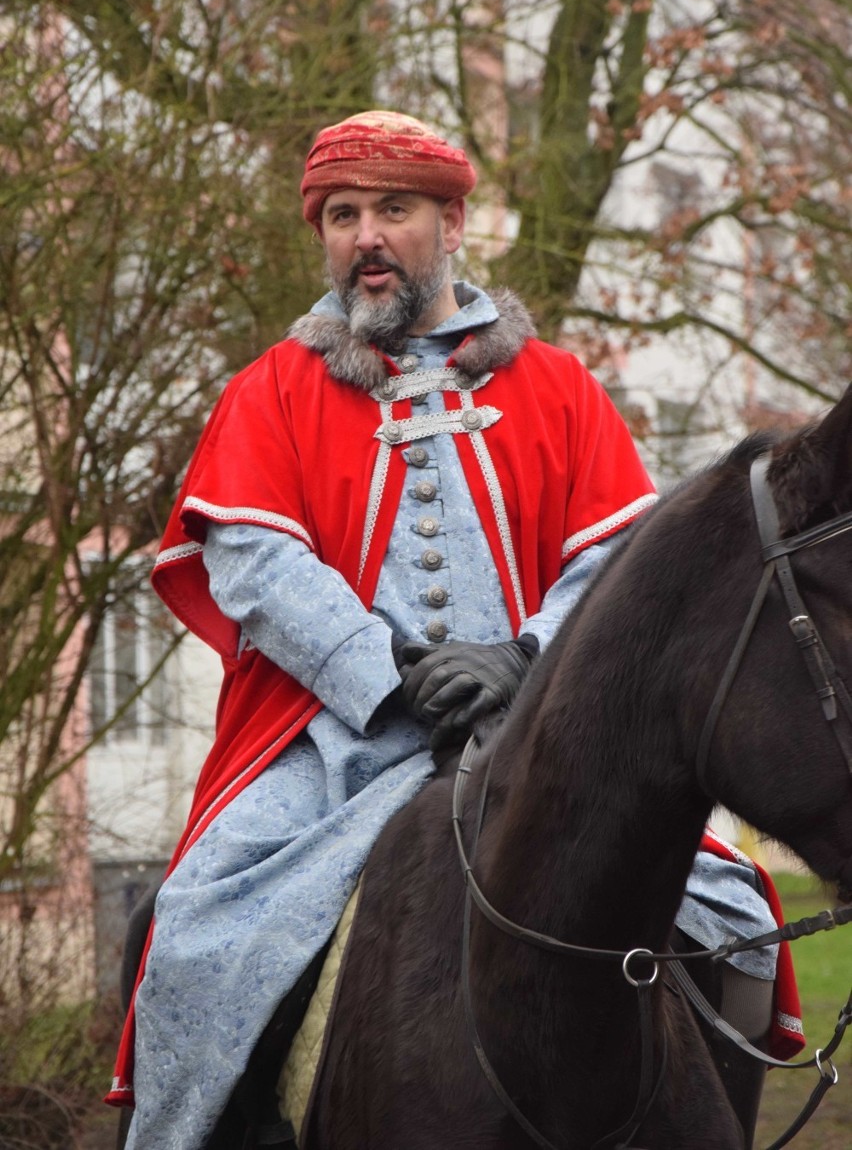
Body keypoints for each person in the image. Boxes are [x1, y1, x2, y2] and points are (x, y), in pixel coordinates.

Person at [107, 110, 800, 1149]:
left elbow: (619, 565)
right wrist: (389, 669)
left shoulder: (558, 387)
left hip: (548, 736)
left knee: (740, 919)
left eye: (395, 209)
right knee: (195, 936)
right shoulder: (271, 392)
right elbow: (255, 561)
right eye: (343, 216)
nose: (366, 237)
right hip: (343, 743)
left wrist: (526, 658)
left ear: (454, 220)